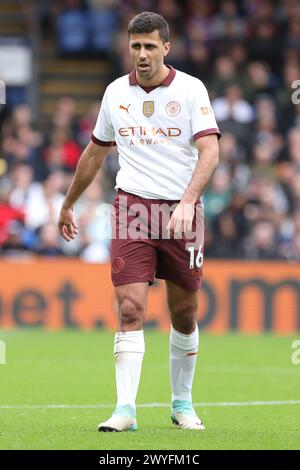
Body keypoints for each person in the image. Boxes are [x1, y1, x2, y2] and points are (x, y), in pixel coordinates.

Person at [58, 11, 220, 432]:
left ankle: (182, 403)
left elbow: (210, 152)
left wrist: (188, 200)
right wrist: (69, 203)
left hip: (182, 213)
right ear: (127, 47)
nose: (143, 54)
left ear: (166, 47)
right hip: (131, 209)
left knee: (184, 313)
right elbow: (95, 152)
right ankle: (125, 410)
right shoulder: (115, 93)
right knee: (130, 308)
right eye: (136, 46)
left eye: (150, 46)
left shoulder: (190, 90)